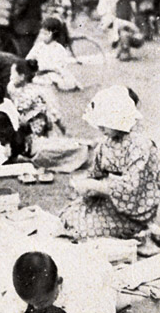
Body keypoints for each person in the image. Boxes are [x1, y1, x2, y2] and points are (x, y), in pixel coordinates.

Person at [60, 85, 160, 239]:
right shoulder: (107, 142)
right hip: (109, 200)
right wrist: (85, 184)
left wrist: (98, 186)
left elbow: (133, 189)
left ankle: (142, 230)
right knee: (68, 216)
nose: (100, 127)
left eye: (104, 122)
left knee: (84, 230)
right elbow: (96, 173)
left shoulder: (141, 145)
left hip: (134, 209)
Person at [7, 59, 90, 174]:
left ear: (22, 76)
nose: (10, 77)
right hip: (22, 131)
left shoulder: (35, 92)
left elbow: (51, 112)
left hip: (36, 132)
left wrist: (62, 128)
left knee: (45, 150)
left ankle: (80, 147)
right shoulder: (12, 87)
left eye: (12, 74)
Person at [26, 16, 80, 91]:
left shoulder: (58, 48)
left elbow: (60, 66)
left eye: (46, 34)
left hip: (53, 73)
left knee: (59, 80)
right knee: (33, 79)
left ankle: (56, 85)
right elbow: (29, 58)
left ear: (54, 34)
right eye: (42, 33)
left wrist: (47, 68)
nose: (42, 36)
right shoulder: (38, 46)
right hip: (39, 73)